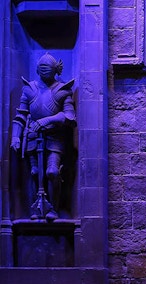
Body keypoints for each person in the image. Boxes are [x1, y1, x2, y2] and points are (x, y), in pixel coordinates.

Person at [10, 52, 76, 220]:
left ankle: (52, 208)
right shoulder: (29, 89)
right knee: (34, 172)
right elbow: (21, 116)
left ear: (55, 70)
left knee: (52, 171)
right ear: (37, 70)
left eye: (48, 68)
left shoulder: (62, 90)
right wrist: (16, 137)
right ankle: (37, 209)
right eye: (42, 68)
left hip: (55, 138)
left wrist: (47, 120)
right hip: (32, 136)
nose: (44, 71)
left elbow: (69, 116)